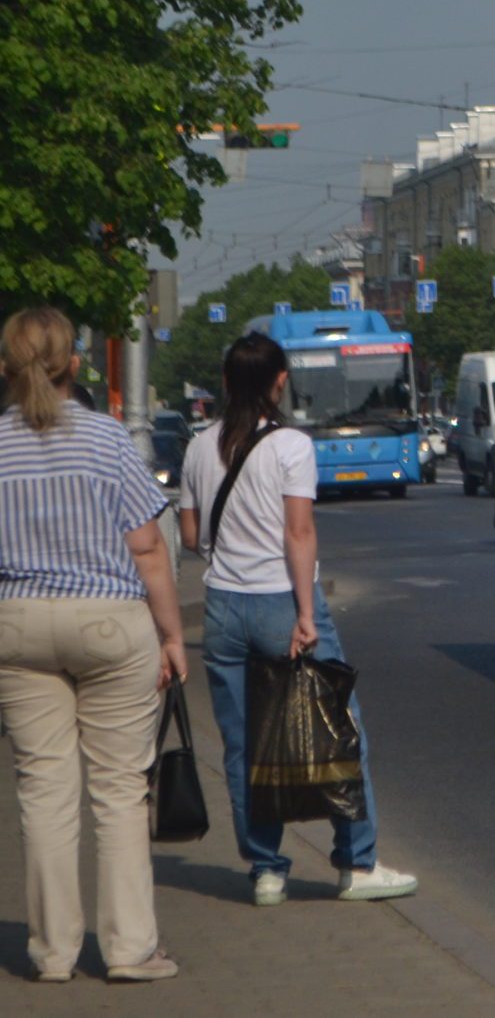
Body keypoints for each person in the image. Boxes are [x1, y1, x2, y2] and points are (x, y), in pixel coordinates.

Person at [177, 333, 416, 907]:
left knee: (243, 747)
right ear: (280, 381)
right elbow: (299, 532)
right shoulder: (291, 446)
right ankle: (356, 865)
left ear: (227, 383)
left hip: (222, 609)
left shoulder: (198, 447)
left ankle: (266, 871)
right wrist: (307, 615)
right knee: (339, 727)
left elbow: (190, 537)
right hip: (282, 601)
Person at [0, 306, 186, 983]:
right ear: (73, 364)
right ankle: (129, 948)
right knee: (118, 788)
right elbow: (149, 549)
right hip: (110, 621)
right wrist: (171, 635)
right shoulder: (107, 440)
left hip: (17, 622)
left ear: (5, 369)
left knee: (43, 788)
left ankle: (51, 953)